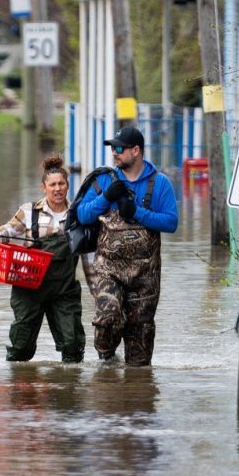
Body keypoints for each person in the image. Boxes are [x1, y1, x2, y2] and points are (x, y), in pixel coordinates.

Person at [75, 126, 178, 366]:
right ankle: (107, 359)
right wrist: (106, 198)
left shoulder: (160, 183)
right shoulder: (103, 180)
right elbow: (81, 215)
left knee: (140, 346)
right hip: (109, 269)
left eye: (119, 148)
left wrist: (137, 212)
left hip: (146, 275)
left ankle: (135, 394)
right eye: (112, 148)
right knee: (107, 317)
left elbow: (171, 222)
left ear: (136, 150)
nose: (114, 153)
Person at [0, 154, 86, 363]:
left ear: (67, 186)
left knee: (72, 346)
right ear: (44, 188)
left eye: (61, 184)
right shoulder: (29, 211)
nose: (57, 188)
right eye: (52, 185)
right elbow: (9, 229)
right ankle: (19, 387)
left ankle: (69, 389)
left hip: (63, 290)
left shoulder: (78, 214)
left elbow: (89, 256)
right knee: (20, 348)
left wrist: (98, 290)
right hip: (29, 287)